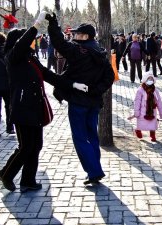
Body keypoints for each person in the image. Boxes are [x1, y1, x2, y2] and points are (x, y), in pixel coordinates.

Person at [45, 13, 113, 185]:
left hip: (79, 102)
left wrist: (53, 24)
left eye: (77, 34)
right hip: (94, 102)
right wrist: (95, 90)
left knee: (80, 137)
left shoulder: (78, 50)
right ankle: (94, 169)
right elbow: (109, 76)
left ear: (86, 36)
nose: (74, 36)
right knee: (92, 136)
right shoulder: (100, 51)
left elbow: (58, 42)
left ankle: (94, 171)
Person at [0, 13, 54, 193]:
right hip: (22, 109)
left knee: (36, 145)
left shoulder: (31, 58)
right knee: (25, 147)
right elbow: (22, 44)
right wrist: (36, 25)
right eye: (29, 39)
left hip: (36, 108)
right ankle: (6, 174)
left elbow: (47, 74)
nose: (32, 42)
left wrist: (71, 84)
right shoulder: (12, 58)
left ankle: (28, 180)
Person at [128, 72, 162, 142]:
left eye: (151, 79)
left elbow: (159, 102)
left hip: (152, 111)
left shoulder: (155, 90)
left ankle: (153, 135)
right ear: (145, 80)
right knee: (141, 123)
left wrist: (161, 114)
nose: (150, 80)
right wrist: (136, 112)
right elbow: (137, 102)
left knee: (153, 123)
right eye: (148, 79)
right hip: (142, 111)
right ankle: (138, 130)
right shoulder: (140, 90)